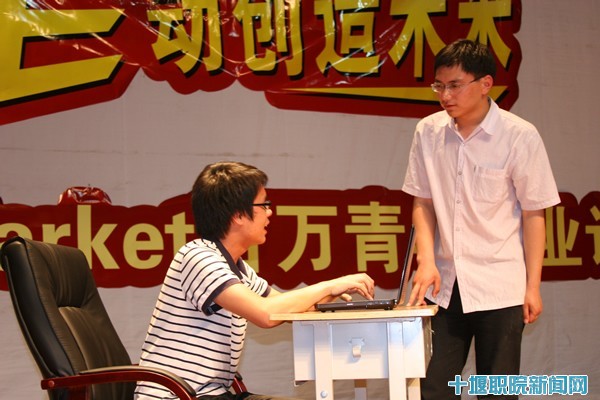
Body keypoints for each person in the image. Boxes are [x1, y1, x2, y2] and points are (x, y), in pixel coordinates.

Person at [134, 161, 375, 400]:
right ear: (238, 214)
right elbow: (266, 314)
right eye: (264, 205)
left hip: (211, 395)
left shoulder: (237, 268)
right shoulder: (198, 257)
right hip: (173, 396)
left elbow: (286, 310)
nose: (270, 212)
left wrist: (331, 294)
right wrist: (328, 285)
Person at [402, 39, 560, 399]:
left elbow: (534, 214)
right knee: (433, 389)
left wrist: (532, 286)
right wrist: (426, 260)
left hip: (500, 286)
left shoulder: (519, 135)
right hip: (444, 285)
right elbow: (422, 201)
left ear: (485, 83)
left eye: (455, 85)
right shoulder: (428, 131)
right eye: (439, 86)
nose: (445, 96)